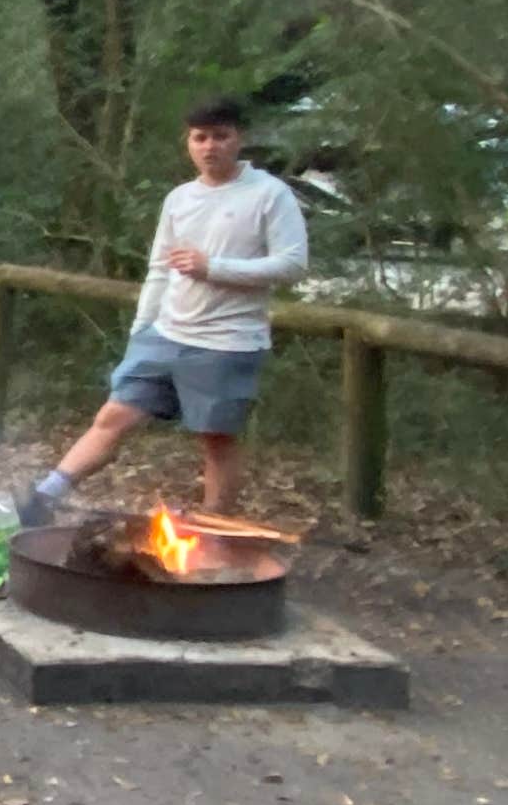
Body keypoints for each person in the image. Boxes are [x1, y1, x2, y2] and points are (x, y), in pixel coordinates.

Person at [20, 99, 309, 525]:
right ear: (189, 143)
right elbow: (159, 268)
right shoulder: (180, 198)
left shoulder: (269, 195)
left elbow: (293, 263)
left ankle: (213, 529)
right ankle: (43, 498)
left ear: (239, 139)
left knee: (215, 438)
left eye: (220, 136)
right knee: (114, 415)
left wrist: (214, 268)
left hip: (226, 341)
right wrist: (142, 328)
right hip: (165, 332)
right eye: (200, 137)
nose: (210, 146)